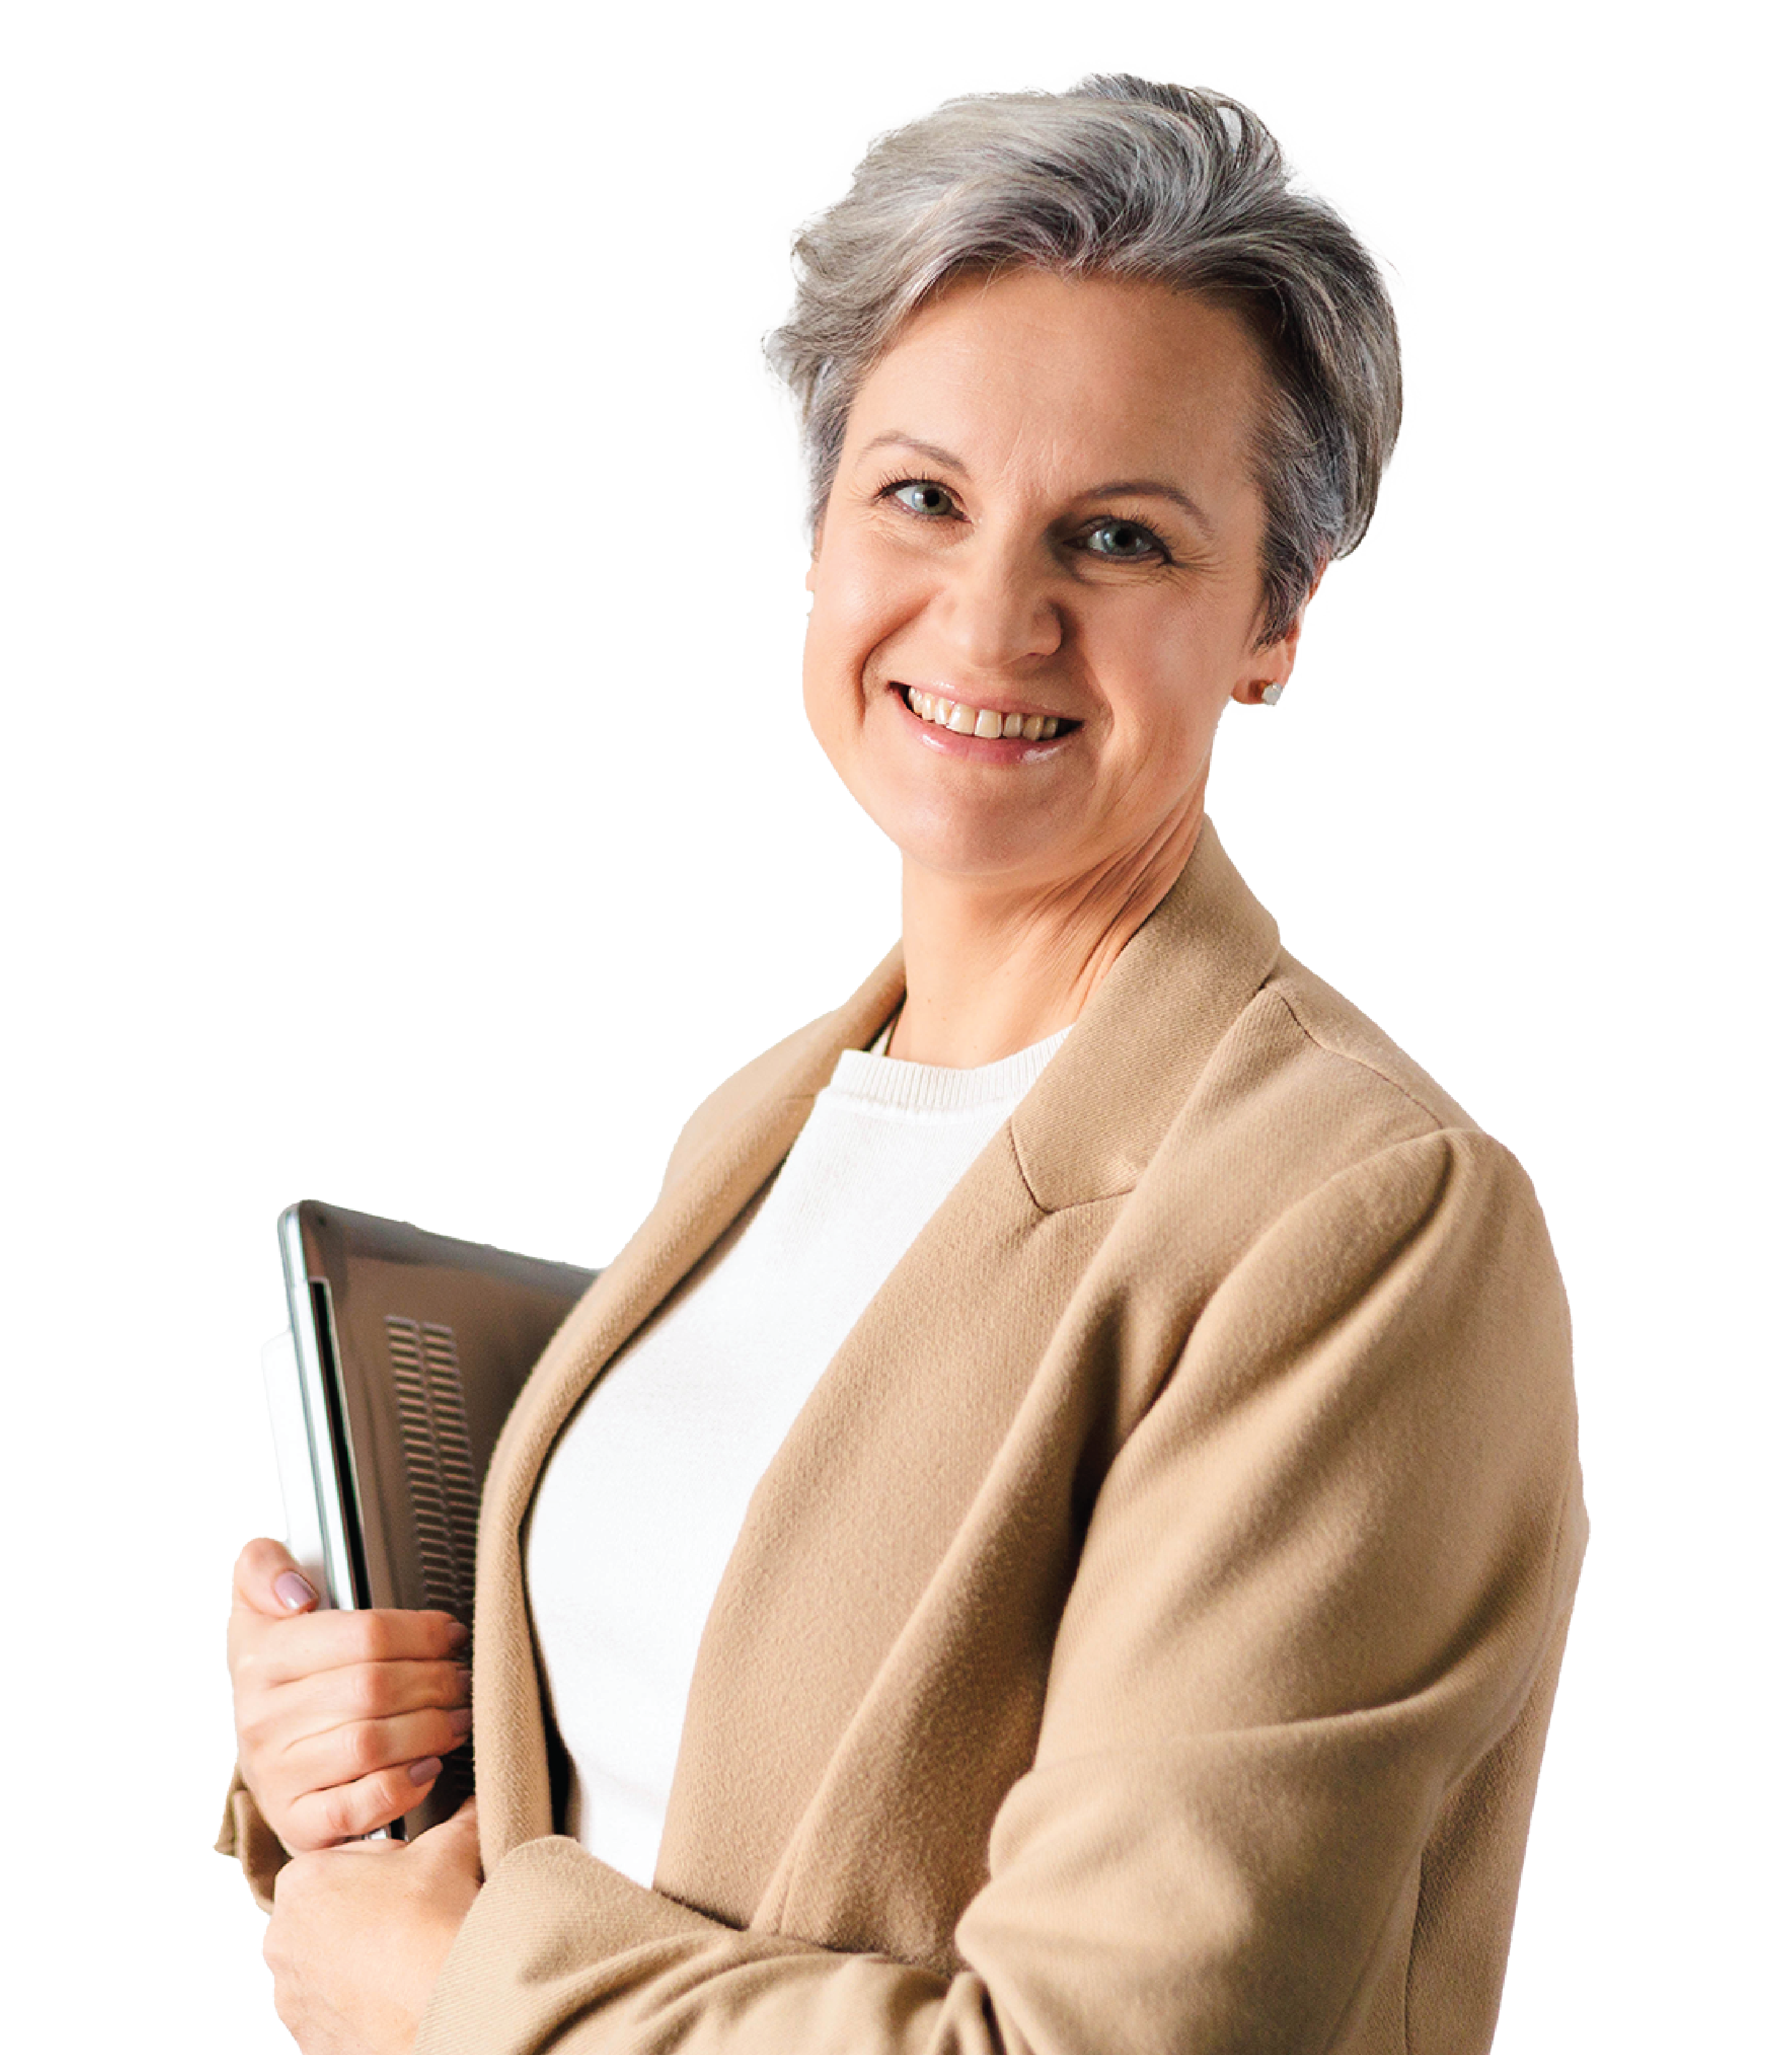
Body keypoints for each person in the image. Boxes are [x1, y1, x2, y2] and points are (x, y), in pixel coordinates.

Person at [221, 68, 1588, 2055]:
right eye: (922, 497)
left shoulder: (1361, 1224)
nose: (994, 615)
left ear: (1277, 620)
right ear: (821, 531)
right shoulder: (772, 1122)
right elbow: (642, 1805)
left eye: (1117, 537)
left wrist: (469, 1999)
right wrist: (358, 1770)